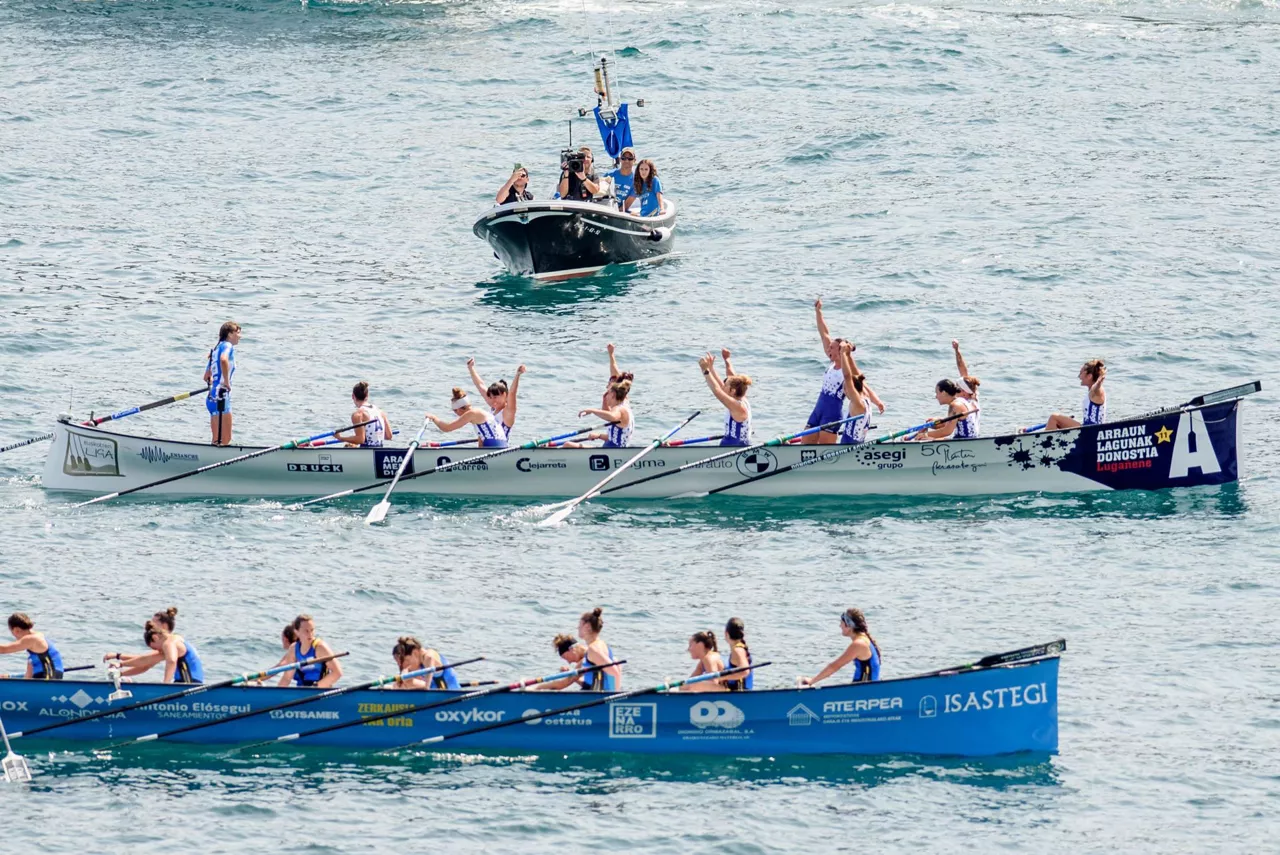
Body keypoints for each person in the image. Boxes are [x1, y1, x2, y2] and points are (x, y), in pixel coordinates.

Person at [106, 607, 204, 684]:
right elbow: (146, 661)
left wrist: (165, 685)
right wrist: (120, 667)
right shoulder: (174, 641)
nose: (156, 650)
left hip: (187, 685)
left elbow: (172, 661)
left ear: (156, 638)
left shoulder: (169, 642)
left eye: (154, 647)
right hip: (188, 683)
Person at [800, 608, 881, 686]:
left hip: (862, 692)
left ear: (849, 625)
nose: (840, 626)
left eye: (841, 623)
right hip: (865, 689)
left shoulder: (859, 644)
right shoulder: (864, 639)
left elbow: (834, 666)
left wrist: (812, 681)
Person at [1034, 359, 1107, 432]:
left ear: (1089, 376)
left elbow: (1097, 388)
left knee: (1054, 417)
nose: (1079, 376)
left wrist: (1099, 382)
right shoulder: (1092, 391)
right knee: (1058, 421)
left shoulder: (1096, 391)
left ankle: (1046, 442)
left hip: (1091, 431)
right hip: (1088, 429)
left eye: (1081, 373)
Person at [698, 349, 752, 446]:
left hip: (734, 449)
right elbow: (730, 375)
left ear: (732, 391)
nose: (723, 386)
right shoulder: (740, 396)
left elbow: (716, 390)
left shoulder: (737, 406)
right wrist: (726, 359)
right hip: (732, 446)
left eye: (725, 385)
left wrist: (706, 371)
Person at [275, 614, 343, 689]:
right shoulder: (293, 649)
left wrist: (315, 687)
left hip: (319, 691)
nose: (310, 634)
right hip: (302, 690)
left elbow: (337, 673)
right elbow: (287, 678)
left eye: (312, 630)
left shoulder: (320, 648)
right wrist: (276, 695)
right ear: (297, 632)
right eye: (306, 631)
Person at [467, 358, 526, 442]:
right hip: (486, 448)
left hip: (500, 448)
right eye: (491, 397)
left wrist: (517, 375)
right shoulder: (493, 407)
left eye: (495, 397)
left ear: (505, 395)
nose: (492, 400)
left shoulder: (508, 412)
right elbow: (481, 386)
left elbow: (512, 393)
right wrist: (471, 368)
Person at [426, 388, 507, 448]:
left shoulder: (472, 413)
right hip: (501, 446)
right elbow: (482, 438)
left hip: (494, 447)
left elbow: (447, 428)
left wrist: (434, 418)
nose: (456, 414)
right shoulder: (480, 412)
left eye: (455, 411)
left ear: (460, 409)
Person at [203, 321, 241, 446]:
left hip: (212, 397)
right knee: (225, 440)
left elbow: (206, 377)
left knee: (216, 441)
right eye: (238, 333)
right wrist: (226, 381)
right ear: (230, 334)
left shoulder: (215, 349)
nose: (240, 336)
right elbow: (224, 359)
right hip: (222, 396)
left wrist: (215, 380)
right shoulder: (227, 346)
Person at [0, 612, 64, 680]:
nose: (14, 636)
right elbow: (28, 675)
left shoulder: (31, 639)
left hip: (49, 676)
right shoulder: (36, 640)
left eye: (12, 632)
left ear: (16, 630)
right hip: (49, 675)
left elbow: (3, 649)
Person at [528, 634, 601, 691]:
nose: (569, 662)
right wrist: (571, 675)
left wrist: (536, 687)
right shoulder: (592, 651)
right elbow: (590, 684)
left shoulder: (586, 658)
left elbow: (562, 684)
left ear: (571, 649)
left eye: (566, 657)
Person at [909, 379, 976, 441]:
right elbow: (952, 423)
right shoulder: (962, 401)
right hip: (966, 440)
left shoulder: (955, 406)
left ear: (943, 392)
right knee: (928, 437)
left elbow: (947, 431)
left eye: (937, 393)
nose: (936, 396)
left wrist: (925, 435)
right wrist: (932, 423)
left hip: (963, 442)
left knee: (925, 438)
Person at [836, 341, 875, 445]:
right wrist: (849, 355)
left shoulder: (858, 403)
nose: (844, 391)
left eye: (845, 388)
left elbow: (847, 376)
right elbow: (856, 373)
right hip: (858, 443)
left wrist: (843, 354)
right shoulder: (865, 395)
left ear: (850, 389)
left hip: (849, 444)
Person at [577, 379, 634, 447]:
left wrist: (592, 411)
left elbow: (612, 416)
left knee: (568, 445)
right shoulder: (623, 406)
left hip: (614, 450)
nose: (606, 395)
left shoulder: (620, 409)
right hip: (612, 448)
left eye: (608, 393)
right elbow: (608, 416)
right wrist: (599, 436)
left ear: (613, 394)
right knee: (568, 444)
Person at [390, 636, 461, 690]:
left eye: (406, 661)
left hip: (450, 695)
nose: (404, 665)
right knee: (403, 683)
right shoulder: (420, 663)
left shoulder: (428, 656)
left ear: (415, 652)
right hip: (437, 695)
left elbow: (430, 658)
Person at [578, 607, 621, 690]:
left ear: (587, 627)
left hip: (594, 697)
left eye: (579, 625)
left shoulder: (594, 649)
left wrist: (615, 697)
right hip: (593, 693)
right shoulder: (600, 644)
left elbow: (615, 672)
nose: (577, 628)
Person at [341, 381, 392, 448]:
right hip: (380, 450)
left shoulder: (358, 414)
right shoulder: (380, 412)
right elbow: (389, 436)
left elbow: (360, 439)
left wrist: (341, 438)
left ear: (353, 396)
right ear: (367, 396)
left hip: (366, 452)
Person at [951, 339, 982, 435]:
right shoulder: (974, 397)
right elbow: (963, 371)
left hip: (962, 441)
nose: (955, 391)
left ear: (964, 392)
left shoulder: (962, 403)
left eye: (957, 389)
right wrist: (957, 351)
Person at [722, 617, 753, 692]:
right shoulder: (741, 647)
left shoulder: (738, 650)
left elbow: (745, 671)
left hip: (739, 694)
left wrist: (722, 677)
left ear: (726, 633)